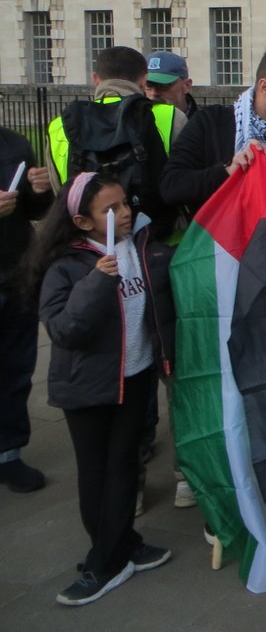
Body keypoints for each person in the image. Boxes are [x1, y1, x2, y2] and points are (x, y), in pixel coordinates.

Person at [26, 173, 176, 606]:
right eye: (109, 210)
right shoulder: (69, 264)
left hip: (136, 375)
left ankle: (122, 545)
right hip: (88, 387)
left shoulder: (141, 245)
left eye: (124, 203)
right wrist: (97, 281)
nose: (124, 212)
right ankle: (104, 561)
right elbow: (64, 329)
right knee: (98, 474)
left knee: (125, 466)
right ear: (82, 221)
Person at [160, 46, 266, 215]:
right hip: (218, 238)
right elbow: (171, 187)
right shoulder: (211, 123)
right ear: (265, 88)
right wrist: (228, 171)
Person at [47, 46, 185, 240]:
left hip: (88, 243)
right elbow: (183, 183)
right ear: (144, 79)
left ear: (96, 78)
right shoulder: (168, 116)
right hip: (157, 240)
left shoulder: (60, 125)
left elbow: (60, 191)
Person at [0, 128, 53, 493]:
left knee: (16, 368)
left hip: (16, 273)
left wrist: (40, 190)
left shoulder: (14, 144)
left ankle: (9, 454)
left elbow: (36, 210)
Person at [144, 51, 198, 119]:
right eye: (148, 85)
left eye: (163, 85)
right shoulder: (133, 123)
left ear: (186, 86)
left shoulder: (207, 125)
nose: (154, 93)